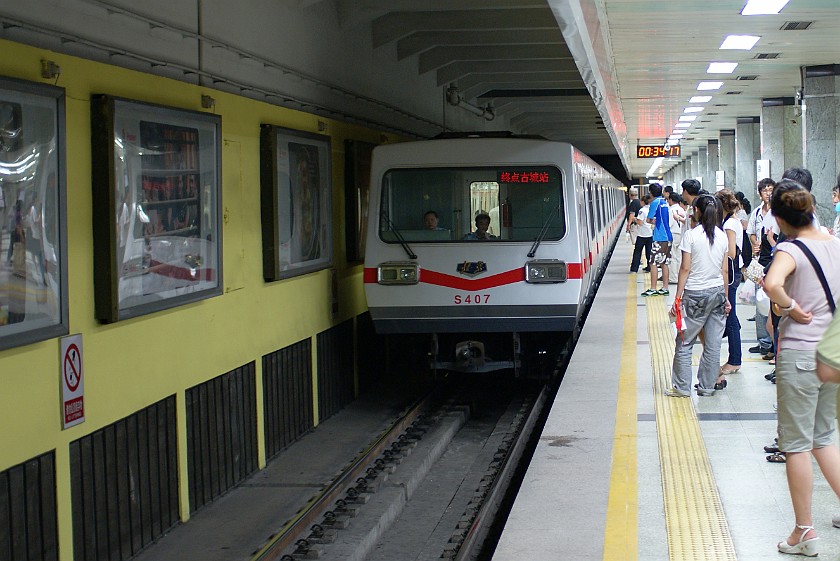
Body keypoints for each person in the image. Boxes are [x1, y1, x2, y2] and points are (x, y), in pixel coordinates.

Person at [762, 180, 840, 557]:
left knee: (795, 445)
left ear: (780, 218)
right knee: (823, 438)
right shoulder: (833, 242)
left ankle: (804, 532)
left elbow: (772, 284)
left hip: (800, 355)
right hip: (831, 353)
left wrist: (790, 307)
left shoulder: (790, 248)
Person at [665, 194, 730, 397]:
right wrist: (726, 297)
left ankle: (682, 388)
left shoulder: (691, 236)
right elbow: (725, 271)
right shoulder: (722, 236)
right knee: (713, 344)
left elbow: (685, 269)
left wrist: (677, 298)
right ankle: (707, 387)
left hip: (695, 295)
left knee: (684, 342)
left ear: (697, 212)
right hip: (718, 292)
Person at [715, 189, 744, 387]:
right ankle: (735, 358)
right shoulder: (731, 221)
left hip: (731, 275)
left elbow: (731, 252)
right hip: (733, 273)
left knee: (730, 316)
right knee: (731, 316)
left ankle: (735, 360)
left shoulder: (730, 224)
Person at [747, 178, 776, 357]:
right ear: (759, 193)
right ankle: (763, 341)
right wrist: (755, 243)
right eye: (765, 190)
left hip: (773, 261)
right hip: (760, 261)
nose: (768, 193)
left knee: (771, 304)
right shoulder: (757, 212)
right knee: (760, 302)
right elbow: (750, 232)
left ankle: (772, 343)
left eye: (771, 190)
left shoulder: (777, 213)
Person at [641, 183, 672, 297]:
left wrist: (653, 221)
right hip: (668, 236)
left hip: (659, 237)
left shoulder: (655, 202)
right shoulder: (664, 202)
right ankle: (665, 288)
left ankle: (653, 288)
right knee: (664, 263)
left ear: (651, 193)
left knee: (652, 262)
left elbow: (649, 219)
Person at [630, 194, 653, 273]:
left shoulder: (642, 210)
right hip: (650, 233)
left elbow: (640, 222)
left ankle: (634, 269)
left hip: (642, 234)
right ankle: (649, 267)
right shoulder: (651, 209)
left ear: (643, 202)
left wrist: (634, 219)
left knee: (637, 251)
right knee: (649, 251)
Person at [667, 192, 686, 283]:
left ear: (670, 200)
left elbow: (669, 224)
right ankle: (679, 276)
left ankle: (673, 278)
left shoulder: (671, 210)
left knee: (672, 256)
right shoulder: (682, 209)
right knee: (679, 256)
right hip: (681, 234)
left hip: (673, 234)